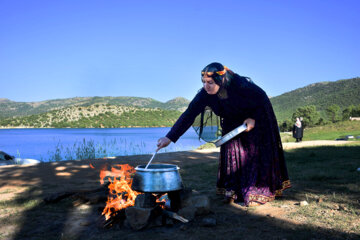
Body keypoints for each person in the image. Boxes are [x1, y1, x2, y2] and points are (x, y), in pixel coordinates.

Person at [157, 62, 291, 207]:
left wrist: (253, 117)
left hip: (256, 119)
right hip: (232, 122)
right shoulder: (204, 94)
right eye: (204, 82)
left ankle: (256, 192)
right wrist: (169, 137)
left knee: (252, 154)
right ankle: (233, 191)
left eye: (210, 82)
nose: (206, 86)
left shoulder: (240, 85)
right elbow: (189, 114)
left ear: (220, 81)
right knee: (233, 153)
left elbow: (261, 99)